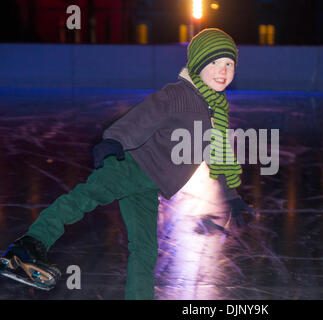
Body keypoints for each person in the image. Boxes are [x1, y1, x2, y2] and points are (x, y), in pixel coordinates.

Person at [0, 28, 255, 299]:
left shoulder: (215, 110)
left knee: (144, 248)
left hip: (148, 187)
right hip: (130, 165)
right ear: (198, 64)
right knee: (85, 198)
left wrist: (231, 195)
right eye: (215, 62)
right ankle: (29, 245)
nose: (223, 70)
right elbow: (143, 117)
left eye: (229, 64)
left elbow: (219, 154)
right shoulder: (178, 93)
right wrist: (114, 141)